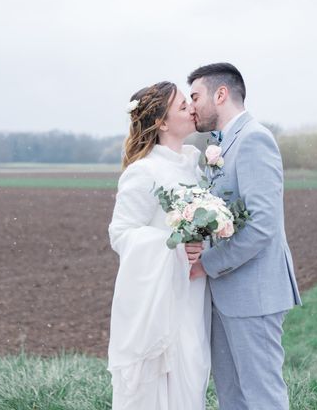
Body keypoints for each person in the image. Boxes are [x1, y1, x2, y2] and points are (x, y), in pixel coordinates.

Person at [185, 62, 302, 410]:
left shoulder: (254, 139)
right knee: (231, 397)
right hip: (223, 296)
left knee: (262, 397)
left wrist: (208, 263)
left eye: (195, 96)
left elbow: (262, 225)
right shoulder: (219, 145)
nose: (191, 106)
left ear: (220, 94)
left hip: (254, 294)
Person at [108, 81, 211, 409]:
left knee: (192, 378)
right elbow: (121, 233)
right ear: (162, 123)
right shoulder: (144, 171)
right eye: (183, 106)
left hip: (193, 292)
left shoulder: (194, 163)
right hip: (160, 297)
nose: (192, 109)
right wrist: (174, 247)